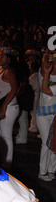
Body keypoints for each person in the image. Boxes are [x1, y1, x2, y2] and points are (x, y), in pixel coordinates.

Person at [0, 47, 20, 168]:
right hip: (1, 105)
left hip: (9, 106)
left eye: (2, 56)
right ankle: (4, 159)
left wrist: (4, 106)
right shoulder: (0, 69)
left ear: (9, 59)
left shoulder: (10, 71)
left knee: (6, 135)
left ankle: (8, 163)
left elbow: (14, 89)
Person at [36, 52, 56, 181]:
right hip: (43, 115)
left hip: (54, 114)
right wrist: (46, 54)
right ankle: (42, 172)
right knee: (46, 143)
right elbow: (45, 89)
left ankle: (51, 170)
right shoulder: (43, 74)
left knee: (54, 143)